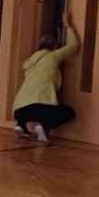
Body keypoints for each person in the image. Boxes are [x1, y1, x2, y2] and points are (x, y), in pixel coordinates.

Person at [12, 11, 78, 141]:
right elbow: (74, 46)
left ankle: (21, 124)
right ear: (54, 47)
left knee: (30, 108)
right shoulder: (53, 56)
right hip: (40, 106)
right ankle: (44, 127)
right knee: (68, 112)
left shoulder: (30, 61)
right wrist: (68, 25)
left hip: (18, 108)